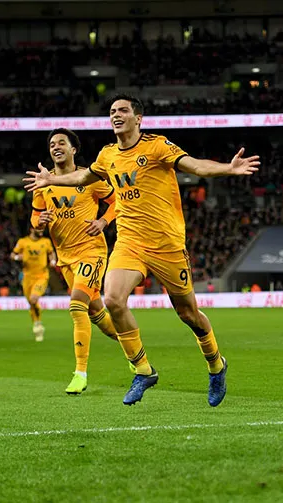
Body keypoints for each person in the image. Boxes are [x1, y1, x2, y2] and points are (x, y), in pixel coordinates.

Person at [24, 94, 259, 406]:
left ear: (138, 118)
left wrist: (228, 168)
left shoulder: (157, 146)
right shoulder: (107, 154)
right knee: (112, 299)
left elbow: (194, 166)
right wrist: (51, 179)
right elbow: (84, 175)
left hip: (167, 245)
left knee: (188, 314)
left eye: (123, 110)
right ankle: (143, 369)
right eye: (112, 111)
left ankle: (216, 363)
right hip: (129, 242)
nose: (116, 115)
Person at [32, 128, 126, 394]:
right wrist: (39, 222)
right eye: (52, 144)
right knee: (96, 314)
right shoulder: (44, 183)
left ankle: (80, 373)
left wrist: (103, 221)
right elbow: (35, 217)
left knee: (76, 307)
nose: (56, 146)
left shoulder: (90, 178)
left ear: (73, 149)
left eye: (61, 142)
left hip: (91, 251)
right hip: (65, 258)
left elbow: (117, 201)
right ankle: (134, 351)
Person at [12, 229, 56, 341]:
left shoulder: (46, 242)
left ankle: (38, 324)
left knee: (33, 298)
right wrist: (18, 257)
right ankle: (37, 324)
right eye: (39, 227)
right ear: (31, 229)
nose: (41, 230)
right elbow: (13, 255)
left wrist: (53, 261)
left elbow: (51, 253)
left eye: (42, 228)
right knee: (32, 303)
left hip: (42, 276)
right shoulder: (23, 242)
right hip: (27, 277)